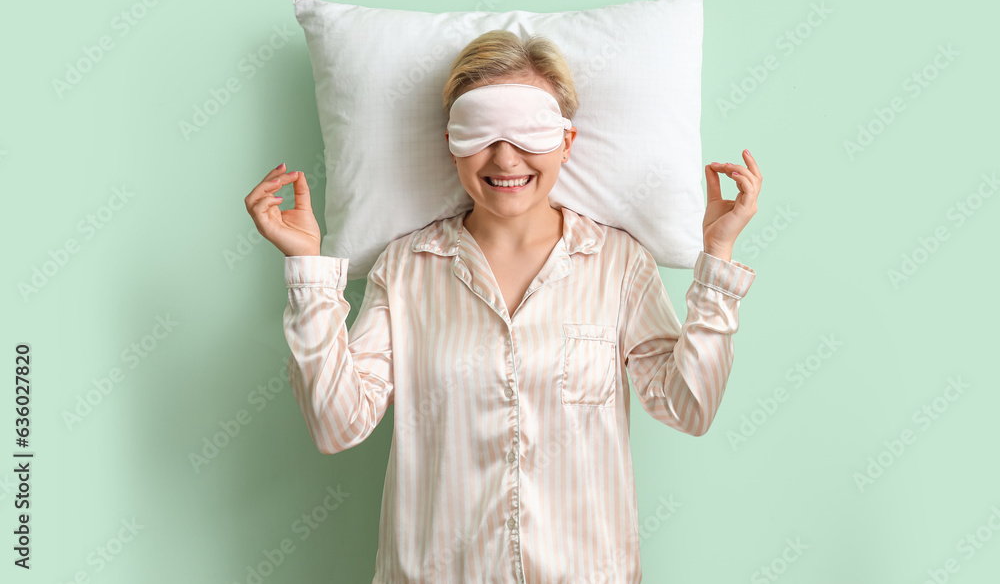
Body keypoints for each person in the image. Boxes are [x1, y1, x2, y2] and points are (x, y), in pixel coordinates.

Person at [244, 29, 762, 583]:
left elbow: (689, 408)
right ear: (451, 143)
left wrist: (718, 258)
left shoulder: (619, 264)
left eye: (529, 132)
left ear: (567, 141)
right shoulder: (405, 268)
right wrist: (308, 269)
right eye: (481, 133)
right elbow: (336, 425)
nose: (505, 156)